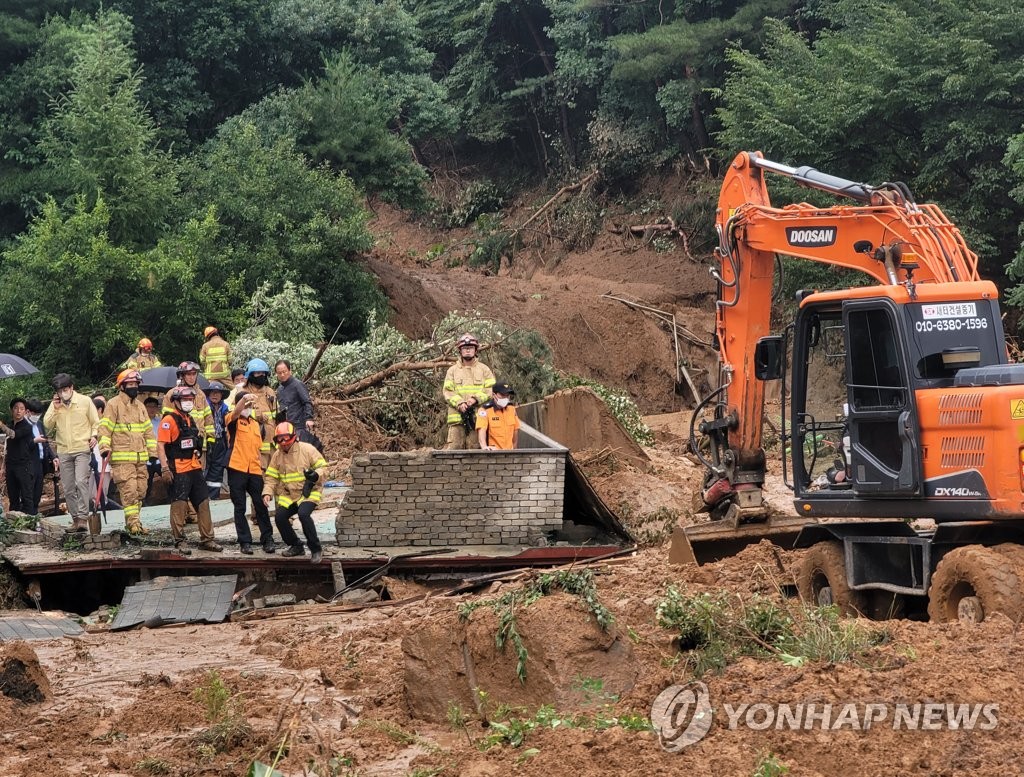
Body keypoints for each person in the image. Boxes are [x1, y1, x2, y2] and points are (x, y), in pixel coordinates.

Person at [156, 386, 223, 553]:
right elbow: (161, 445)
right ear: (176, 402)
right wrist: (165, 468)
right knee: (179, 504)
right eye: (185, 400)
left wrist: (198, 449)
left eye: (190, 400)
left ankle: (207, 539)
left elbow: (193, 441)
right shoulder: (168, 420)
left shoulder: (190, 419)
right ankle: (179, 540)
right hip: (178, 468)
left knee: (203, 502)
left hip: (194, 466)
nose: (188, 403)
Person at [98, 370, 156, 534]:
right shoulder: (113, 404)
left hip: (140, 458)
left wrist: (152, 452)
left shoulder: (140, 406)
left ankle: (135, 522)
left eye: (136, 385)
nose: (134, 387)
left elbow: (148, 432)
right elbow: (105, 428)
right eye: (130, 384)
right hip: (122, 459)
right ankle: (133, 525)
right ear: (122, 386)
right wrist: (104, 448)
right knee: (129, 491)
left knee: (140, 491)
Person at [43, 374, 100, 532]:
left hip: (82, 448)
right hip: (63, 450)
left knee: (80, 481)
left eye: (65, 390)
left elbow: (96, 422)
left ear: (72, 388)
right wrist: (55, 408)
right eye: (60, 391)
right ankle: (75, 519)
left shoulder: (85, 401)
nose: (63, 393)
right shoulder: (56, 405)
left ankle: (83, 517)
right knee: (68, 487)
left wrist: (94, 436)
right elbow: (47, 425)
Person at [263, 422, 327, 563]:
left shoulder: (307, 449)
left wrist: (315, 475)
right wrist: (267, 493)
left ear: (293, 437)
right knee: (280, 518)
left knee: (304, 515)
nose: (283, 443)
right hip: (289, 495)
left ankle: (316, 549)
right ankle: (296, 545)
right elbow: (271, 477)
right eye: (280, 440)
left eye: (286, 439)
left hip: (309, 492)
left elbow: (323, 467)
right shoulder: (277, 456)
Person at [225, 392, 275, 554]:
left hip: (254, 469)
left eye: (250, 405)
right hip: (237, 467)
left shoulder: (255, 424)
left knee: (261, 505)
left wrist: (261, 468)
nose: (249, 407)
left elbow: (258, 448)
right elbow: (236, 412)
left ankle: (267, 539)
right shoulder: (232, 420)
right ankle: (245, 541)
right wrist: (244, 399)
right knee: (239, 507)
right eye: (246, 404)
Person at [442, 333, 495, 450]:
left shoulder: (484, 369)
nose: (467, 351)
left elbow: (490, 390)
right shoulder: (452, 371)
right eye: (465, 348)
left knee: (475, 450)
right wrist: (460, 403)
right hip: (456, 419)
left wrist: (475, 399)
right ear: (460, 351)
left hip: (477, 419)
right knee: (454, 451)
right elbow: (447, 391)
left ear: (475, 350)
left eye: (470, 348)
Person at [236, 358, 278, 469]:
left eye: (263, 373)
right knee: (258, 472)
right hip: (252, 441)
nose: (261, 376)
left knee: (274, 472)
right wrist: (257, 416)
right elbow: (236, 414)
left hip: (271, 440)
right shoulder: (243, 393)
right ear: (250, 375)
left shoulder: (269, 392)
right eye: (258, 373)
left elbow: (275, 415)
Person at [162, 361, 215, 446]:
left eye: (194, 374)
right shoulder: (172, 394)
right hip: (179, 444)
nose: (192, 377)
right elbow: (166, 419)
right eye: (188, 374)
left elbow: (208, 418)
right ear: (182, 376)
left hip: (200, 444)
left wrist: (211, 440)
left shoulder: (200, 394)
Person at [1, 398, 37, 513]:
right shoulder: (11, 424)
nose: (18, 411)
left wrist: (1, 425)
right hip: (10, 465)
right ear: (11, 410)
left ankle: (30, 521)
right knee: (13, 496)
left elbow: (14, 435)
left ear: (25, 412)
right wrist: (3, 467)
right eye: (16, 408)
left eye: (22, 409)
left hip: (23, 465)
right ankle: (14, 523)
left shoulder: (27, 426)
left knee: (27, 496)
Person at [25, 399, 53, 514]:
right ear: (27, 412)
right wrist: (34, 441)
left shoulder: (39, 424)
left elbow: (46, 443)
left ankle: (35, 516)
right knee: (28, 494)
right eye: (35, 414)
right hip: (28, 464)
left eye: (38, 414)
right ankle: (28, 517)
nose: (36, 416)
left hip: (40, 463)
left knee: (37, 493)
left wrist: (53, 457)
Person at [275, 360, 316, 438]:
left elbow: (307, 402)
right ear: (276, 374)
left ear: (290, 371)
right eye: (279, 373)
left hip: (299, 426)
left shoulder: (298, 385)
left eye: (284, 372)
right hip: (286, 427)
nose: (282, 375)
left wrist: (309, 418)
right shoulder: (280, 389)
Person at [204, 381, 230, 500]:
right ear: (208, 394)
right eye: (212, 393)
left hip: (221, 441)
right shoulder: (204, 407)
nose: (215, 395)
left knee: (217, 468)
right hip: (207, 441)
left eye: (217, 393)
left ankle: (213, 496)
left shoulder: (225, 409)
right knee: (205, 468)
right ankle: (203, 497)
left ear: (221, 395)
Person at [476, 382, 520, 450]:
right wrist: (484, 447)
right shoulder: (484, 410)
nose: (505, 398)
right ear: (494, 395)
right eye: (502, 395)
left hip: (510, 454)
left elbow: (515, 430)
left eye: (507, 395)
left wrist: (515, 451)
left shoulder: (512, 409)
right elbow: (481, 430)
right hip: (493, 454)